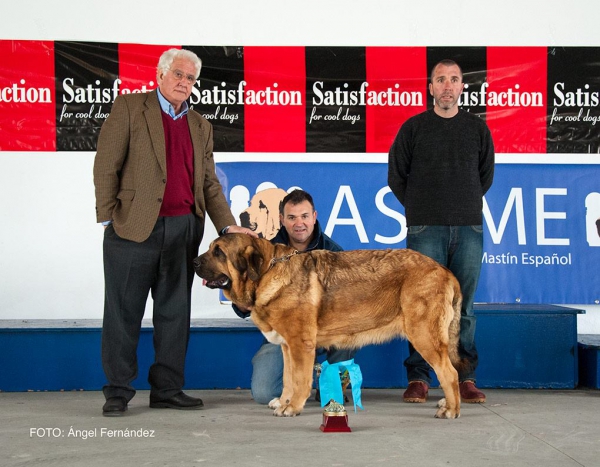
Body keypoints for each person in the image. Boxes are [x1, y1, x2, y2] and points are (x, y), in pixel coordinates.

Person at [93, 48, 256, 417]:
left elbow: (210, 185)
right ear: (161, 74)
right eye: (179, 75)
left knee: (174, 314)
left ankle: (167, 388)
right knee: (122, 313)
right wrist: (108, 218)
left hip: (184, 229)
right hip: (131, 229)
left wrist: (227, 226)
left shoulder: (201, 125)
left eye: (191, 79)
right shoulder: (131, 109)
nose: (184, 83)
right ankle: (118, 391)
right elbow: (106, 165)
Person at [388, 59, 495, 404]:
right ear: (430, 87)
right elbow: (396, 175)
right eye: (440, 80)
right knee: (419, 306)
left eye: (454, 79)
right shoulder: (413, 128)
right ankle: (419, 378)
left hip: (468, 227)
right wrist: (420, 209)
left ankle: (465, 377)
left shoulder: (477, 129)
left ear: (462, 86)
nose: (447, 86)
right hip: (425, 228)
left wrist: (461, 205)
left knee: (464, 308)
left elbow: (485, 176)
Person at [233, 189, 357, 404]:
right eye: (291, 217)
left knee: (334, 396)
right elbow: (242, 305)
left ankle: (330, 385)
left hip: (327, 333)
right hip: (283, 337)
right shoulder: (265, 252)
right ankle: (300, 384)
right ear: (282, 220)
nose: (299, 223)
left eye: (304, 216)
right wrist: (244, 302)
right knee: (263, 393)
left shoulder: (334, 251)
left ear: (314, 217)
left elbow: (348, 303)